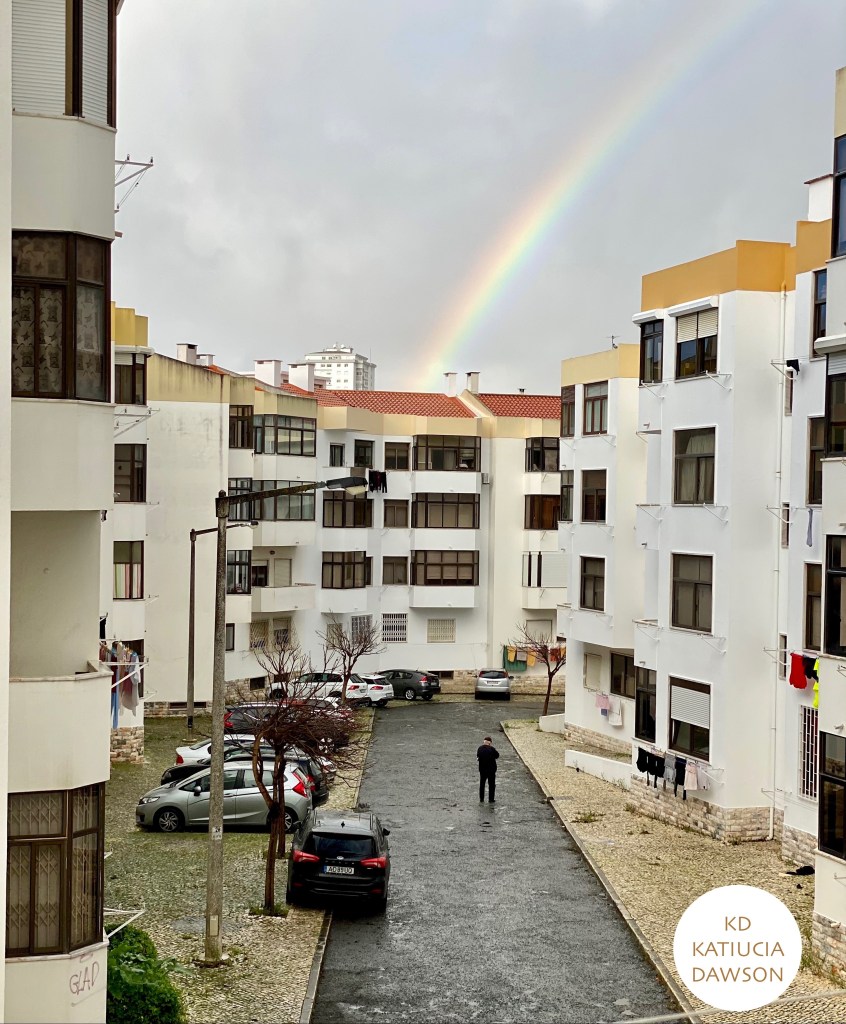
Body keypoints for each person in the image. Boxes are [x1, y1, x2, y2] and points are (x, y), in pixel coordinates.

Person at [477, 736, 499, 803]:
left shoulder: (480, 749)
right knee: (491, 785)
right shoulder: (492, 749)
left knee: (482, 784)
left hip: (482, 770)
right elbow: (497, 756)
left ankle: (481, 798)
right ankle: (491, 799)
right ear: (490, 742)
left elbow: (478, 756)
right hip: (491, 770)